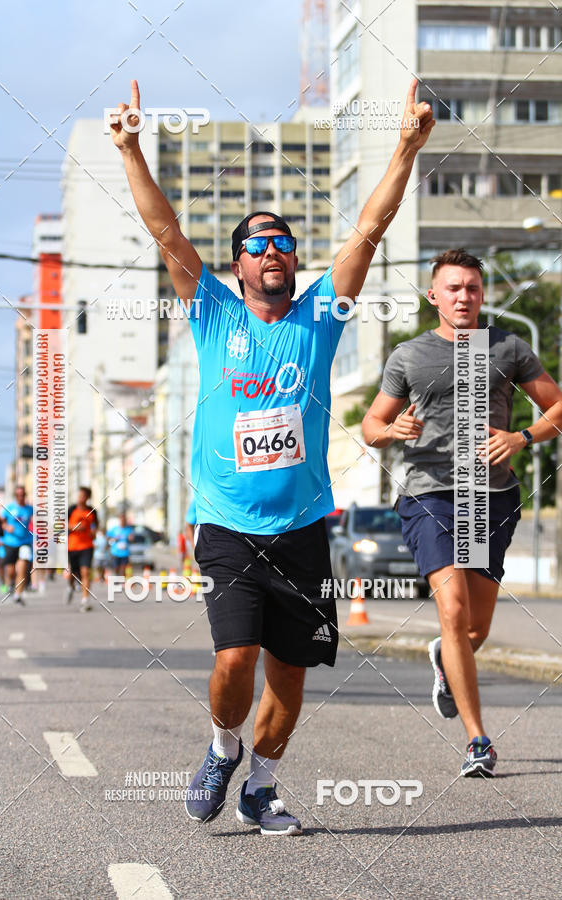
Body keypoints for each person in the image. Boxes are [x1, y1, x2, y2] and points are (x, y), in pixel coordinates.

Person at [111, 77, 434, 833]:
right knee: (235, 660)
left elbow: (369, 232)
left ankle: (264, 783)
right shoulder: (213, 310)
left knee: (291, 670)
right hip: (226, 522)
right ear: (238, 265)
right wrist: (129, 149)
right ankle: (223, 747)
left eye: (284, 241)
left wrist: (405, 148)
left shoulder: (319, 315)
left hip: (301, 528)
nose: (275, 250)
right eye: (258, 243)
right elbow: (166, 235)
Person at [362, 248, 562, 778]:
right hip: (430, 494)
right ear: (435, 297)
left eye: (472, 288)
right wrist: (392, 432)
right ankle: (478, 740)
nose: (464, 296)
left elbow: (558, 409)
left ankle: (445, 661)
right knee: (451, 611)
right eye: (453, 288)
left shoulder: (509, 347)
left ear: (482, 295)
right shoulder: (408, 356)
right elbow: (371, 426)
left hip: (489, 496)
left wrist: (523, 437)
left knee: (473, 630)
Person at [67, 486, 99, 611]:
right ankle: (70, 587)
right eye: (79, 495)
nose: (80, 498)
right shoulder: (71, 509)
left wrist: (94, 532)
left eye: (83, 496)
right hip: (72, 546)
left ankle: (85, 600)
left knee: (86, 572)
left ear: (87, 497)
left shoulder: (92, 511)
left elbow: (95, 526)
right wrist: (74, 526)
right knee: (73, 573)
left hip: (87, 546)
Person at [1, 485, 33, 605]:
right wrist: (6, 527)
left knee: (22, 568)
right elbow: (2, 522)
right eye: (18, 495)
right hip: (10, 542)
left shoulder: (30, 509)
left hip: (24, 542)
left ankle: (18, 594)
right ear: (15, 496)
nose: (20, 497)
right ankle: (10, 584)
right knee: (10, 571)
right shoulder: (9, 507)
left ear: (25, 495)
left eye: (22, 495)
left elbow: (35, 520)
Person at [107, 512, 133, 577]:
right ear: (119, 520)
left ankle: (122, 584)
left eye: (124, 520)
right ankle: (116, 580)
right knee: (116, 568)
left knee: (123, 569)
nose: (123, 521)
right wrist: (113, 539)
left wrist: (131, 538)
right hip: (115, 552)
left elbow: (132, 538)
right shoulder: (114, 529)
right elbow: (108, 537)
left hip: (125, 553)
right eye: (122, 520)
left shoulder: (129, 529)